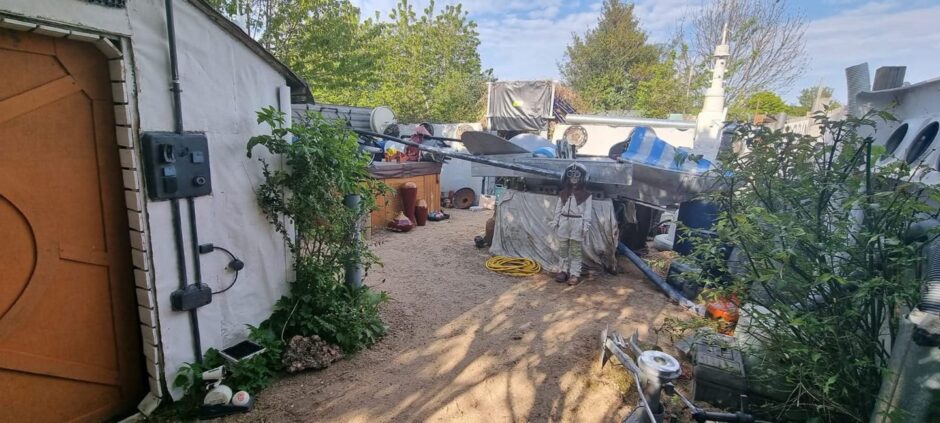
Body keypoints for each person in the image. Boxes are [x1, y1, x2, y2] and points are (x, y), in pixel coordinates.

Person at [549, 163, 592, 286]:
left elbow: (587, 212)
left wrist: (585, 225)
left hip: (577, 222)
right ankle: (563, 270)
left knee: (575, 250)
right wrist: (555, 220)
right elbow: (558, 208)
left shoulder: (586, 195)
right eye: (571, 175)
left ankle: (575, 274)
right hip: (564, 221)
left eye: (577, 175)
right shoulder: (563, 193)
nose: (574, 177)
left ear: (582, 177)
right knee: (563, 249)